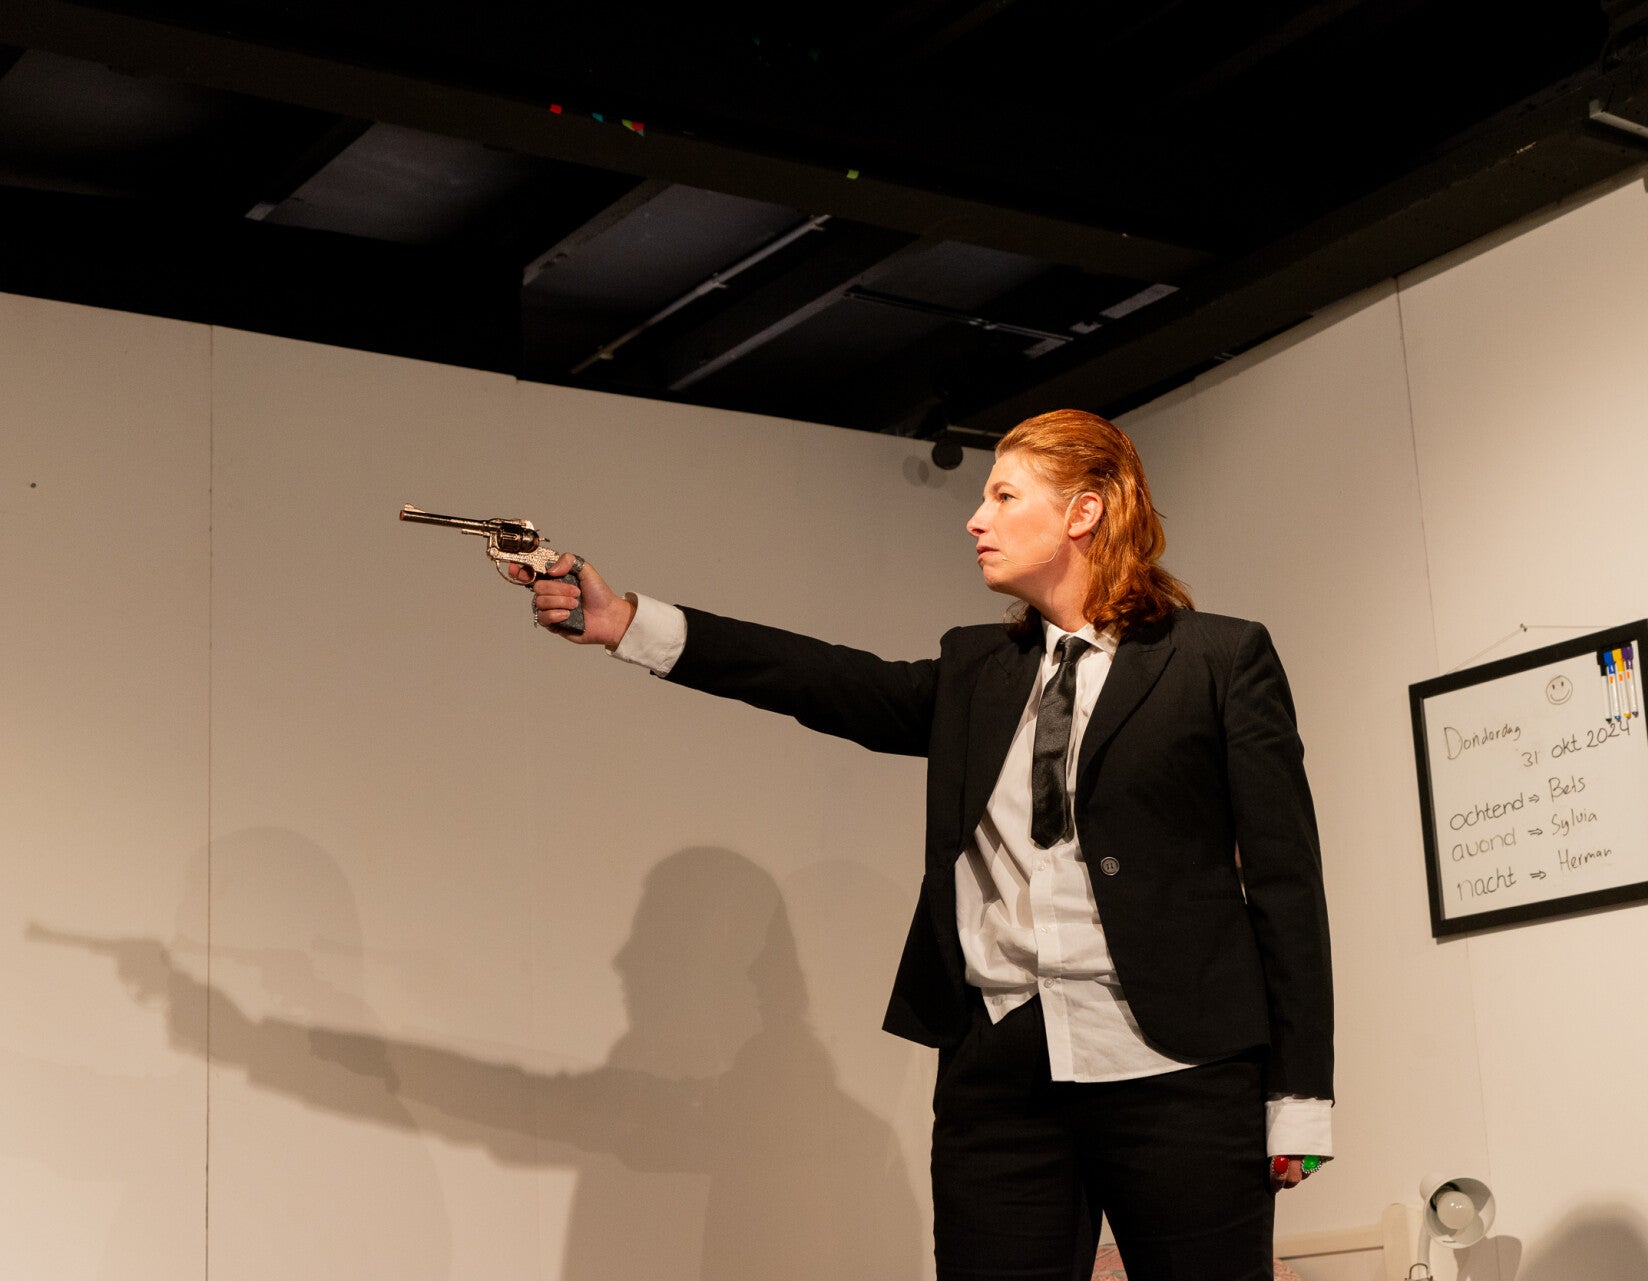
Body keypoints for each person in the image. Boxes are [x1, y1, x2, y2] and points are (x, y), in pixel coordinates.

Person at [513, 409, 1333, 1281]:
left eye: (1004, 496)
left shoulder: (1219, 660)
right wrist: (628, 622)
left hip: (1178, 1071)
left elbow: (1286, 886)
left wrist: (1302, 1095)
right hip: (1000, 1082)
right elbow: (823, 679)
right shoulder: (977, 670)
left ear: (1083, 512)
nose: (976, 519)